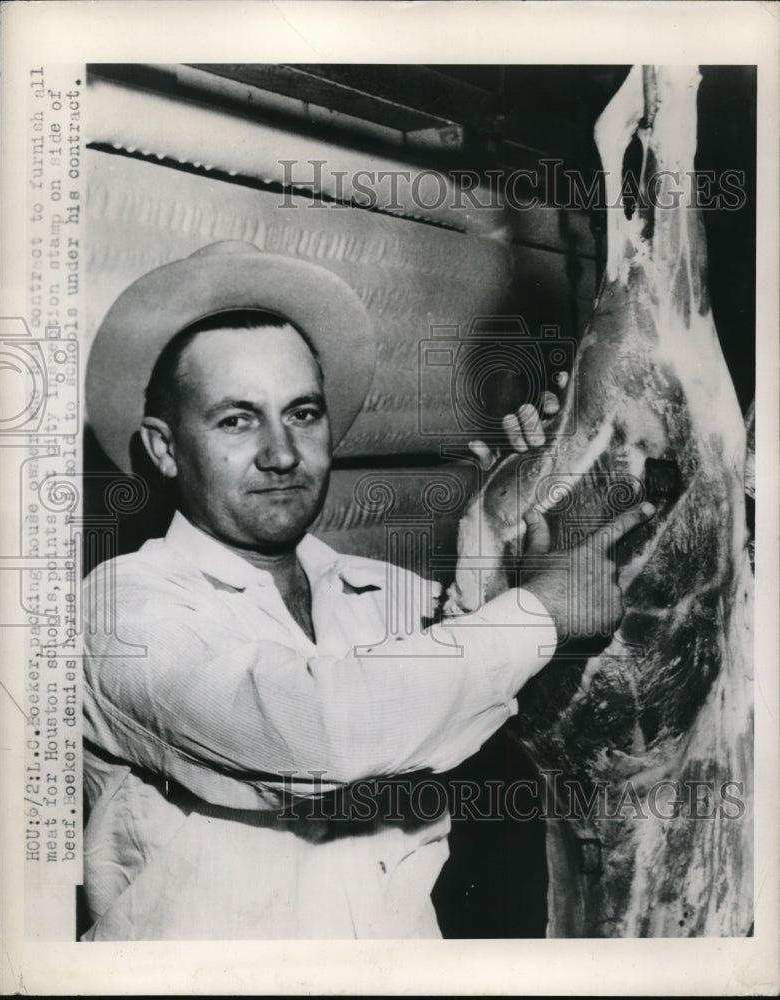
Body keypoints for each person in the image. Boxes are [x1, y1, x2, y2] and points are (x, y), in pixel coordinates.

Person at [82, 240, 654, 940]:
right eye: (236, 419)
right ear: (166, 449)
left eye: (302, 413)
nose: (281, 453)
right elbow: (318, 730)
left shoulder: (384, 596)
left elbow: (531, 715)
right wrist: (535, 611)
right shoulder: (122, 609)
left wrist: (510, 536)